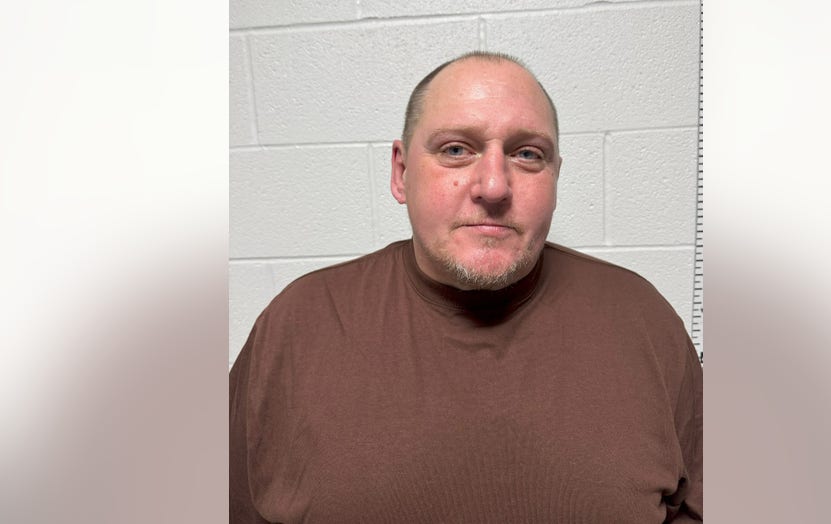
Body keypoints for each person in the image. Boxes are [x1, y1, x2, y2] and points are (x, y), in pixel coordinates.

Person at [230, 51, 702, 523]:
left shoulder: (642, 320)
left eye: (527, 154)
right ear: (401, 173)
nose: (493, 186)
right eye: (456, 150)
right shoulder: (298, 326)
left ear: (556, 176)